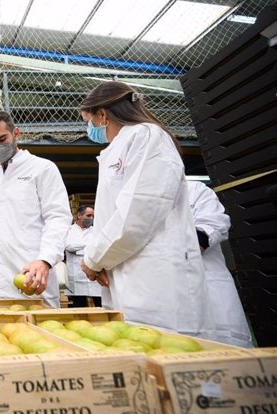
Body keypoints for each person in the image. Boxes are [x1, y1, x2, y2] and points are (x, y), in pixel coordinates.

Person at [79, 81, 213, 338]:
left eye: (89, 120)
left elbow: (138, 212)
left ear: (103, 114)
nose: (90, 128)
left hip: (154, 273)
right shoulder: (115, 149)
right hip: (125, 269)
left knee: (168, 351)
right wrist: (97, 258)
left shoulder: (147, 136)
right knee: (136, 350)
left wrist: (93, 259)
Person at [0, 111, 72, 308]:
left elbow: (57, 217)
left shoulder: (42, 169)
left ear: (16, 134)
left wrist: (45, 260)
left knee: (39, 329)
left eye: (2, 139)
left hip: (32, 271)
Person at [187, 181, 253, 347]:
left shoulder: (194, 190)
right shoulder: (125, 199)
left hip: (210, 292)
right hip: (159, 301)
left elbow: (210, 228)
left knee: (232, 359)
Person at [64, 205, 103, 307]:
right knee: (79, 304)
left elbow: (99, 247)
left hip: (92, 272)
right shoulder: (69, 230)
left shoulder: (95, 231)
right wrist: (88, 246)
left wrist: (79, 249)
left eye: (93, 216)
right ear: (79, 216)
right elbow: (69, 246)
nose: (91, 218)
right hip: (75, 273)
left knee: (100, 303)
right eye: (88, 215)